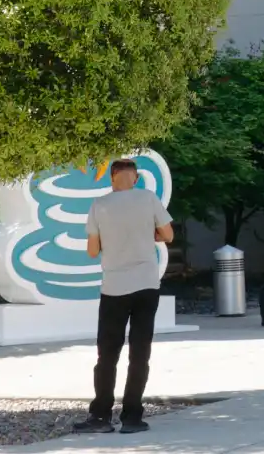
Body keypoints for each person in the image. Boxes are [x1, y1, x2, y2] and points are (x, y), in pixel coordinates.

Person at [74, 158, 174, 435]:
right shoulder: (149, 199)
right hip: (146, 285)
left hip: (114, 287)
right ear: (136, 177)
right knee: (140, 352)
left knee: (107, 354)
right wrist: (147, 234)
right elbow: (168, 234)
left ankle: (101, 416)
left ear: (112, 178)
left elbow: (92, 251)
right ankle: (132, 417)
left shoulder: (100, 205)